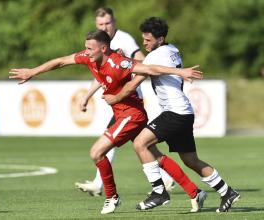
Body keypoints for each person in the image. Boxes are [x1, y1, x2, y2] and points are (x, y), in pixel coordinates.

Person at [9, 30, 203, 214]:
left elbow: (150, 68)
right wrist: (32, 72)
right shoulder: (88, 57)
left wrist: (180, 72)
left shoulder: (120, 63)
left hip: (132, 115)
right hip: (121, 115)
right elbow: (60, 61)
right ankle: (194, 192)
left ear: (103, 48)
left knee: (96, 152)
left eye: (90, 48)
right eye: (85, 47)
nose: (86, 52)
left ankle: (113, 196)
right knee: (154, 155)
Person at [103, 17, 241, 213]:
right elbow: (142, 64)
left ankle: (159, 191)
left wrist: (116, 97)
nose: (144, 43)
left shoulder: (155, 56)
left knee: (140, 143)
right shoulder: (172, 49)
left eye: (148, 40)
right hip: (183, 113)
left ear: (160, 39)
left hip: (174, 113)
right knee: (191, 160)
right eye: (143, 39)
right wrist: (124, 58)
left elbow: (134, 81)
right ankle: (227, 192)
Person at [74, 7, 175, 197]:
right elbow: (103, 74)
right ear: (97, 25)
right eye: (101, 24)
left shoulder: (124, 39)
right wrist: (87, 95)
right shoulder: (98, 44)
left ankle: (100, 184)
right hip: (118, 103)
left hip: (130, 101)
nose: (105, 26)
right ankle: (167, 175)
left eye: (108, 23)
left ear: (114, 22)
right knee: (140, 143)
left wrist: (127, 73)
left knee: (111, 140)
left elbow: (141, 61)